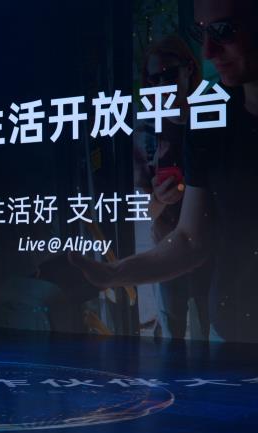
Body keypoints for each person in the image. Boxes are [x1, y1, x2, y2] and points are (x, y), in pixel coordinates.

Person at [70, 0, 258, 343]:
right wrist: (114, 273)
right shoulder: (204, 125)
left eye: (224, 31)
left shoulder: (205, 115)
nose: (210, 50)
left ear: (188, 71)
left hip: (216, 297)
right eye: (202, 33)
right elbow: (187, 238)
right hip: (227, 324)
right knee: (173, 327)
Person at [133, 35, 212, 339]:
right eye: (153, 79)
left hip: (213, 251)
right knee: (172, 335)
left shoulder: (212, 118)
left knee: (212, 332)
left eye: (168, 75)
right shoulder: (147, 132)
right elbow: (146, 211)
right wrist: (160, 197)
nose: (160, 85)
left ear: (189, 69)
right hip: (168, 250)